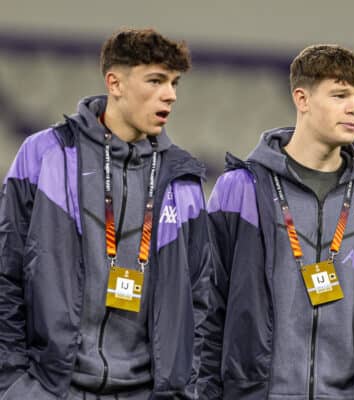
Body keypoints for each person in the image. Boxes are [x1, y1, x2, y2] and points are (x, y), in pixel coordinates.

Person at [0, 27, 209, 399]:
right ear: (115, 83)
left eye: (174, 83)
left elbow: (200, 301)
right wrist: (15, 385)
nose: (170, 95)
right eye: (156, 80)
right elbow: (6, 274)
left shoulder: (183, 180)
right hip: (51, 389)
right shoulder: (44, 155)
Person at [200, 44, 354, 399]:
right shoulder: (240, 190)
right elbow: (206, 308)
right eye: (340, 94)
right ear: (302, 99)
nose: (353, 108)